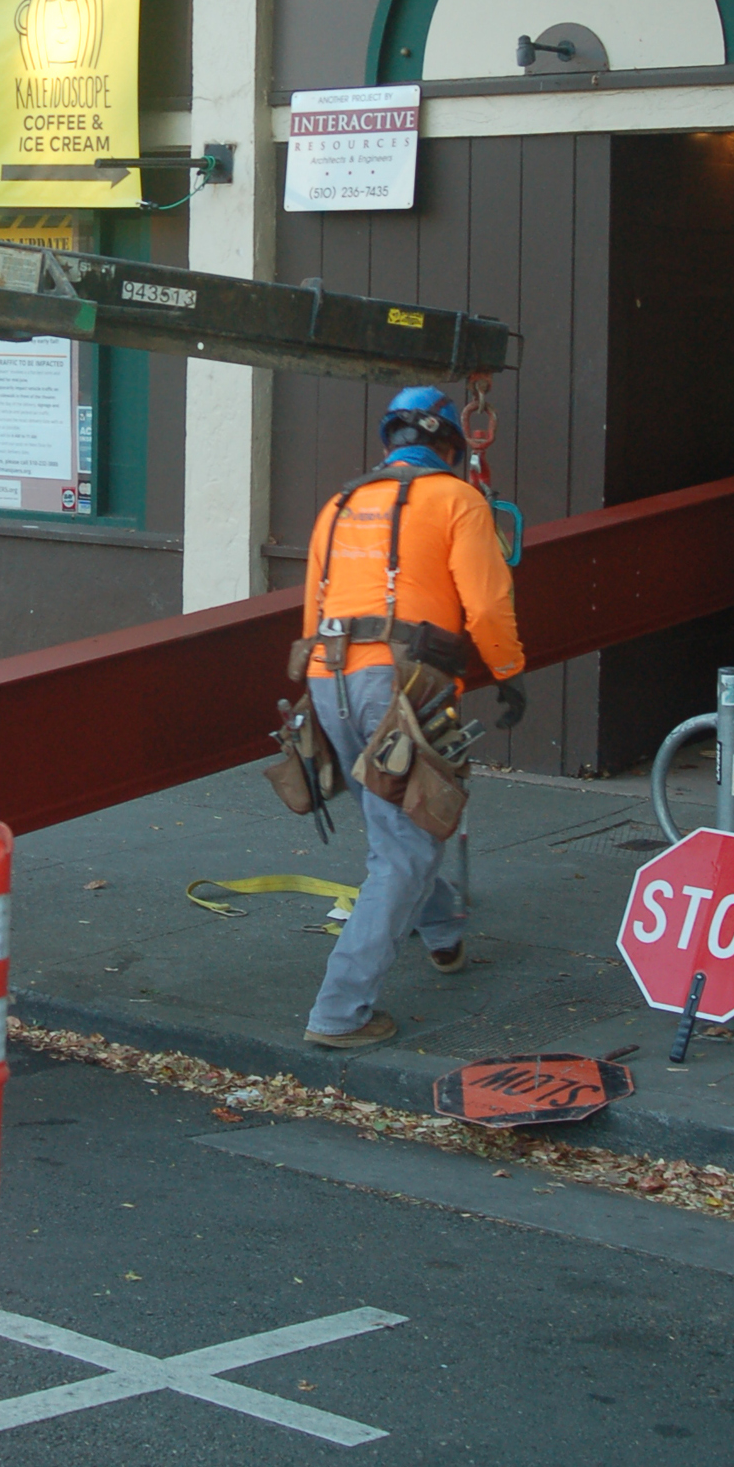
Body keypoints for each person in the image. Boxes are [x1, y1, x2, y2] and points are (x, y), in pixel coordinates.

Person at [301, 384, 525, 1054]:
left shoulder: (338, 505)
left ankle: (444, 935)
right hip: (403, 682)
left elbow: (312, 611)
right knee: (405, 842)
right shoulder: (459, 499)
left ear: (388, 445)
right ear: (454, 447)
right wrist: (509, 672)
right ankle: (339, 1010)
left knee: (399, 821)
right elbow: (485, 606)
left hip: (326, 676)